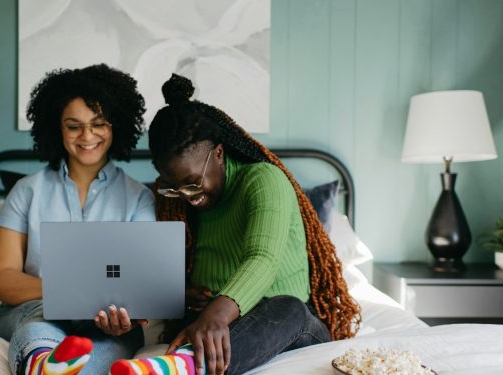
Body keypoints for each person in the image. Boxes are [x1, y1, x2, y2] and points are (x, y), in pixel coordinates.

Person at [110, 74, 361, 375]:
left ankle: (185, 367)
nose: (186, 197)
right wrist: (179, 293)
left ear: (218, 154)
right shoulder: (176, 202)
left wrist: (219, 311)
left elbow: (262, 257)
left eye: (192, 184)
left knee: (288, 308)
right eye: (173, 187)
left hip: (290, 324)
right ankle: (186, 363)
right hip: (220, 322)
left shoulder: (263, 181)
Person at [0, 64, 156, 375]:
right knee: (37, 325)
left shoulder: (139, 198)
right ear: (58, 129)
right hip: (34, 310)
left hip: (107, 322)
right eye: (73, 126)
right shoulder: (27, 192)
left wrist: (120, 317)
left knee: (112, 341)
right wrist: (68, 294)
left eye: (98, 123)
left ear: (115, 125)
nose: (87, 135)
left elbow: (139, 284)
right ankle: (45, 362)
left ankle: (48, 368)